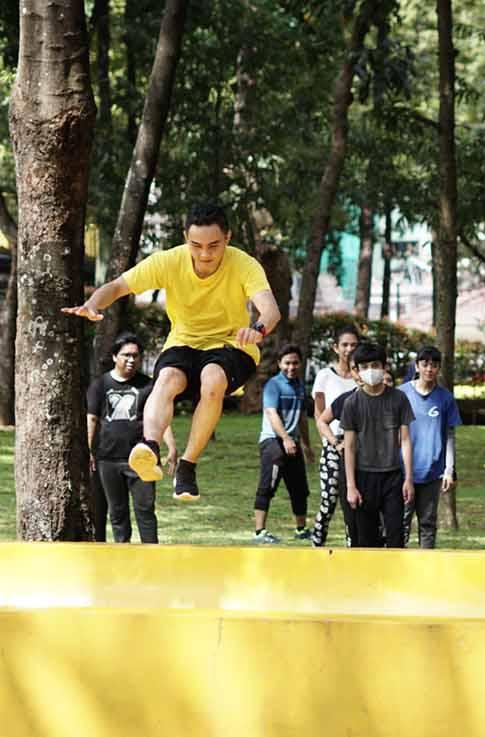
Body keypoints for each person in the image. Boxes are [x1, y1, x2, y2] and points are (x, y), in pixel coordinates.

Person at [63, 201, 278, 501]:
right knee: (166, 380)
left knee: (213, 379)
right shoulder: (169, 261)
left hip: (232, 344)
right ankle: (150, 447)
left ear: (227, 238)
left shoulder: (244, 264)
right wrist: (93, 304)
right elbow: (117, 286)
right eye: (196, 245)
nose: (205, 255)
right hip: (183, 342)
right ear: (184, 237)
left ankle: (187, 466)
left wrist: (258, 329)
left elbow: (270, 309)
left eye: (214, 246)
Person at [86, 333, 176, 543]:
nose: (131, 360)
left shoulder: (148, 385)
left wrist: (171, 446)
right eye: (126, 355)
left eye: (136, 356)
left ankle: (151, 556)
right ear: (114, 356)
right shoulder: (100, 385)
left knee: (145, 510)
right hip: (107, 459)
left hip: (142, 459)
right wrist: (89, 450)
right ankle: (122, 556)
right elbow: (91, 419)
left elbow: (161, 418)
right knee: (117, 513)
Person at [340, 343, 415, 548]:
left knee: (395, 536)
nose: (370, 371)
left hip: (393, 477)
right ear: (356, 370)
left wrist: (408, 478)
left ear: (384, 366)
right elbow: (350, 446)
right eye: (364, 367)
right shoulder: (352, 403)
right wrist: (351, 486)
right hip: (363, 477)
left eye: (374, 365)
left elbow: (406, 441)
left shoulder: (399, 398)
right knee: (366, 540)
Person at [398, 347, 462, 549]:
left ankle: (426, 571)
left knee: (428, 524)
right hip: (402, 472)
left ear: (439, 368)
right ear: (417, 366)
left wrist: (449, 470)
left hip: (432, 473)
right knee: (400, 524)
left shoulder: (445, 398)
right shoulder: (401, 394)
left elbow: (450, 436)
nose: (429, 369)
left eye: (434, 365)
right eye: (425, 364)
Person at [253, 344, 313, 543]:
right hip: (273, 442)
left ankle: (301, 529)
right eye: (287, 363)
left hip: (293, 443)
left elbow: (303, 418)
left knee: (299, 488)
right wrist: (285, 438)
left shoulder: (301, 386)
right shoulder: (273, 384)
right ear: (279, 364)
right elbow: (271, 413)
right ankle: (260, 532)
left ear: (300, 364)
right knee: (267, 486)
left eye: (295, 363)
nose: (291, 367)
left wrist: (307, 445)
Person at [310, 325, 360, 546]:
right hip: (334, 444)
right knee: (329, 499)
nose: (349, 349)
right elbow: (319, 414)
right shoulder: (324, 376)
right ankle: (317, 543)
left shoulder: (361, 376)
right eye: (345, 345)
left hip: (359, 446)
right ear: (335, 348)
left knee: (353, 502)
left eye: (353, 345)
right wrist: (333, 442)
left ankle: (352, 545)